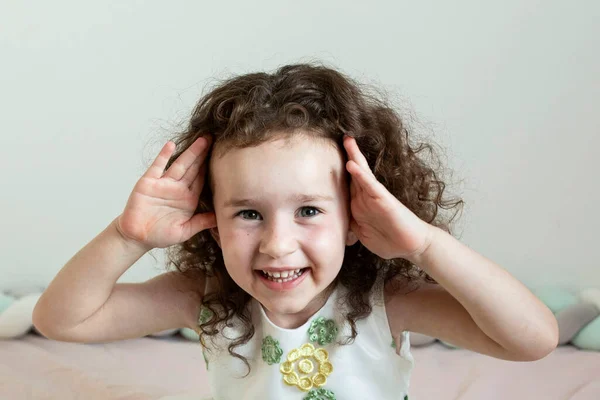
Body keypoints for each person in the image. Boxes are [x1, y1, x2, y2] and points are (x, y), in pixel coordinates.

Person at [33, 63, 558, 400]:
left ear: (356, 217)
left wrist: (424, 243)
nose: (277, 244)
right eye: (249, 214)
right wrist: (128, 238)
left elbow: (532, 341)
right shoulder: (206, 300)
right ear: (211, 219)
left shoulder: (384, 301)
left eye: (308, 210)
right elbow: (62, 322)